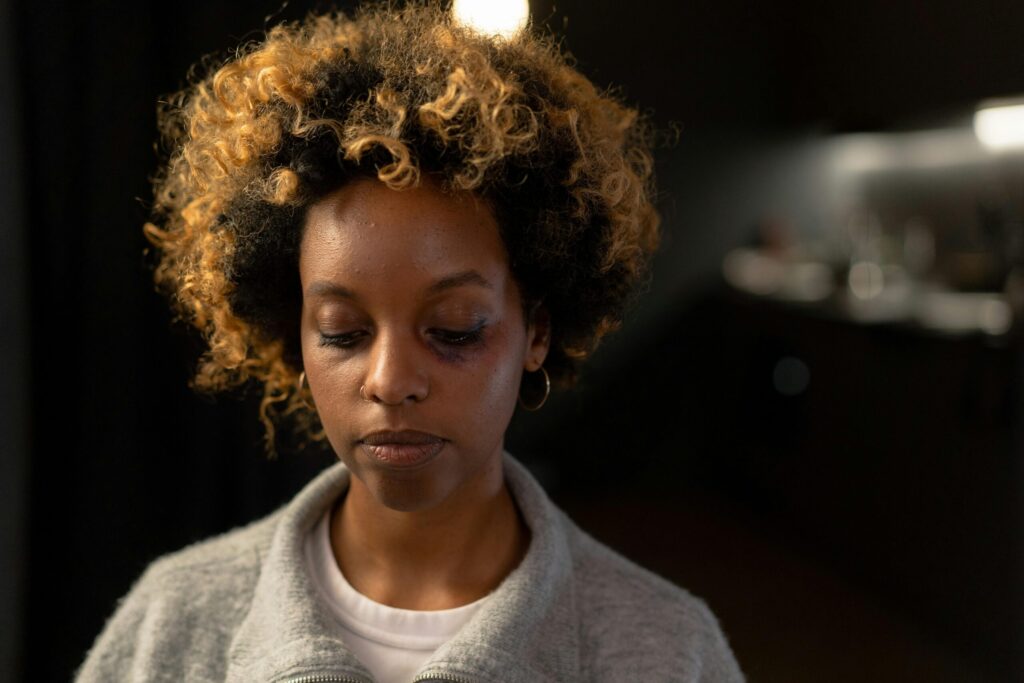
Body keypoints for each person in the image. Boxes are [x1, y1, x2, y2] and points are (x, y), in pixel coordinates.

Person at [76, 3, 744, 681]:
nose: (391, 380)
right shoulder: (173, 621)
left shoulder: (668, 650)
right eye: (343, 332)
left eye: (453, 328)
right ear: (293, 332)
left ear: (536, 331)